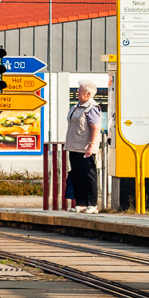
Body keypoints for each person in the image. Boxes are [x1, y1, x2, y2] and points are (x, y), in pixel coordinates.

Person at [66, 78, 101, 213]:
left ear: (88, 94)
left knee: (88, 175)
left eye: (80, 90)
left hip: (85, 147)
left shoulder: (92, 108)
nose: (77, 92)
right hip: (74, 146)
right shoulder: (76, 107)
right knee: (77, 175)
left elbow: (95, 128)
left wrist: (91, 145)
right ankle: (80, 203)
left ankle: (92, 204)